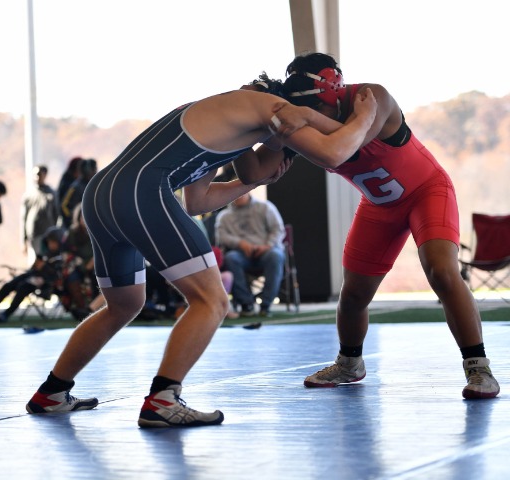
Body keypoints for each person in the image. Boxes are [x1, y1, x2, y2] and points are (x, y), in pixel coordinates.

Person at [24, 83, 377, 427]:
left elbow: (197, 202)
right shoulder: (264, 103)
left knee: (124, 304)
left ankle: (52, 392)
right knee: (212, 301)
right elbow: (332, 149)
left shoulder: (217, 127)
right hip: (140, 192)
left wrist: (253, 181)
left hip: (102, 195)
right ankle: (162, 400)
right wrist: (363, 118)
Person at [271, 52, 499, 399]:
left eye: (319, 107)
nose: (315, 114)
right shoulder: (309, 118)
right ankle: (350, 363)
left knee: (441, 271)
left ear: (336, 92)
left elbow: (351, 144)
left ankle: (479, 368)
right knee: (353, 293)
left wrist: (304, 117)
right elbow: (257, 171)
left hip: (427, 192)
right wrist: (254, 128)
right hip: (379, 205)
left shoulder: (372, 97)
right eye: (309, 108)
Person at [0, 227, 88, 323]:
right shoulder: (47, 253)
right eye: (49, 242)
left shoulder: (65, 256)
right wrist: (38, 266)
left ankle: (6, 314)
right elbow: (36, 268)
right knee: (9, 285)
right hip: (34, 276)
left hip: (48, 284)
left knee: (24, 286)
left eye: (53, 242)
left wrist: (44, 269)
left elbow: (60, 276)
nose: (51, 245)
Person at [215, 192, 286, 317]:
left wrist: (267, 245)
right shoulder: (224, 216)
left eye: (241, 192)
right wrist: (240, 243)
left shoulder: (265, 207)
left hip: (267, 251)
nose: (239, 195)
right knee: (231, 258)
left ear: (248, 191)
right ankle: (246, 304)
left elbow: (278, 229)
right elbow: (221, 236)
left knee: (276, 256)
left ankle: (266, 305)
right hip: (241, 254)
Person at [22, 165, 59, 260]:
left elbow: (56, 214)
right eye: (35, 175)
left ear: (45, 175)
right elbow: (23, 217)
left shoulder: (51, 193)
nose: (37, 177)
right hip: (34, 233)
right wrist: (24, 239)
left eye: (39, 174)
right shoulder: (29, 194)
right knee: (38, 259)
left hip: (48, 234)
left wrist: (55, 233)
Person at [60, 158, 97, 229]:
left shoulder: (94, 185)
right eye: (93, 169)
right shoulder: (75, 187)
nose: (95, 172)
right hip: (78, 226)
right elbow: (64, 206)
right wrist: (73, 217)